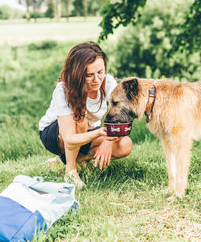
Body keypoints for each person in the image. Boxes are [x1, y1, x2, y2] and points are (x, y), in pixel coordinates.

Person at [39, 41, 132, 189]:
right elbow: (69, 138)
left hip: (87, 132)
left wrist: (108, 141)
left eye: (100, 72)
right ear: (78, 73)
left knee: (125, 144)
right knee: (80, 115)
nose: (97, 80)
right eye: (89, 75)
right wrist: (101, 132)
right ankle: (70, 170)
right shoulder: (63, 89)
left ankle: (80, 159)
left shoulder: (108, 82)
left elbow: (124, 115)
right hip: (57, 135)